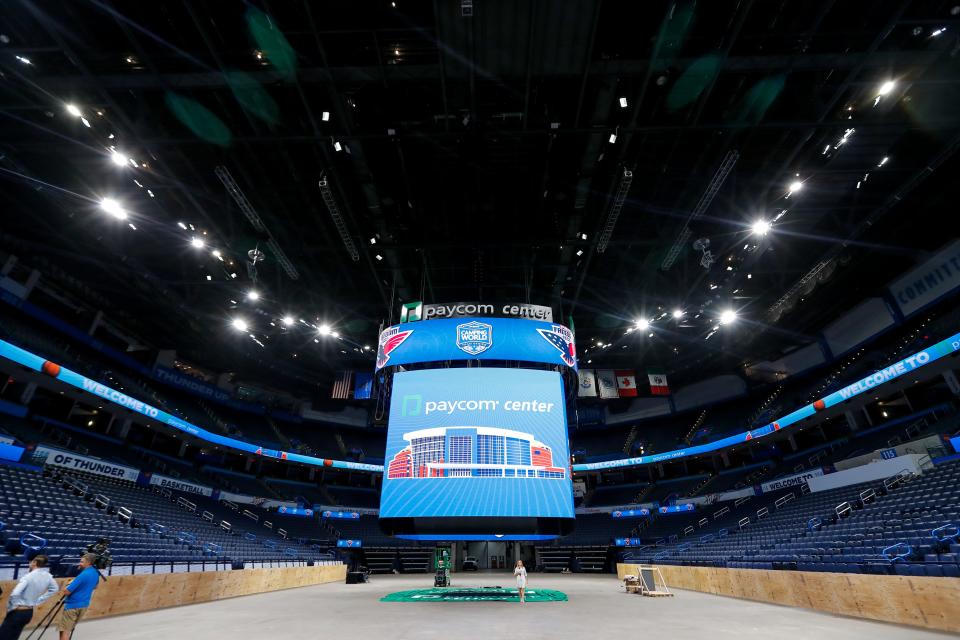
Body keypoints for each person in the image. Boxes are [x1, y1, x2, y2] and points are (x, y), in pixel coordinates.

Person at [0, 555, 59, 640]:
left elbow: (15, 593)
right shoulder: (48, 576)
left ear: (34, 563)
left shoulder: (28, 577)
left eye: (31, 562)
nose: (29, 563)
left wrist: (12, 607)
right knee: (14, 636)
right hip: (29, 612)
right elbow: (55, 589)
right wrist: (39, 600)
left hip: (17, 612)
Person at [58, 553, 100, 640]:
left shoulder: (82, 575)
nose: (79, 563)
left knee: (65, 631)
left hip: (72, 606)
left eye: (81, 562)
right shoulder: (95, 573)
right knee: (68, 630)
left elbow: (67, 592)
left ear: (88, 563)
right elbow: (95, 586)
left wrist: (68, 584)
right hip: (84, 605)